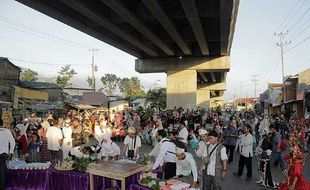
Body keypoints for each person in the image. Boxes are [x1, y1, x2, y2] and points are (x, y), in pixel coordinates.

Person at [279, 125, 310, 190]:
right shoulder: (292, 157)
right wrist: (285, 180)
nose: (291, 142)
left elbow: (297, 174)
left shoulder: (297, 158)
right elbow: (289, 171)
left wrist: (293, 185)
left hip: (295, 184)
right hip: (290, 181)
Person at [0, 119, 15, 190]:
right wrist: (11, 153)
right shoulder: (7, 131)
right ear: (2, 123)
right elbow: (13, 142)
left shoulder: (7, 131)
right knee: (2, 172)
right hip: (4, 154)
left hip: (3, 155)